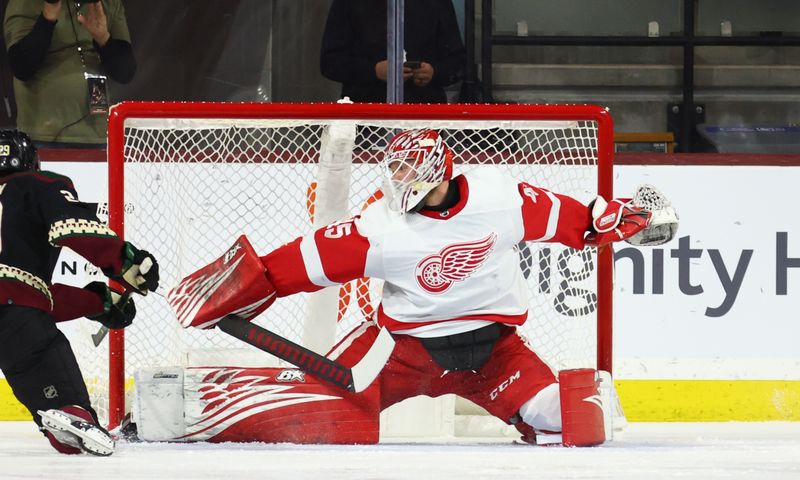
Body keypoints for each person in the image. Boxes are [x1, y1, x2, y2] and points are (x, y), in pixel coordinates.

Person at [172, 128, 678, 446]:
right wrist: (243, 286)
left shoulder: (502, 199)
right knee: (317, 415)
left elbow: (576, 221)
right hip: (399, 352)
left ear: (439, 169)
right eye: (394, 168)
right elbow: (307, 261)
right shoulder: (382, 226)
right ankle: (191, 407)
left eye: (408, 168)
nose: (399, 178)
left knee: (571, 419)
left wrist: (627, 219)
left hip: (494, 353)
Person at [0, 129, 159, 455]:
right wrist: (125, 261)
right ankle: (69, 411)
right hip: (15, 319)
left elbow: (26, 291)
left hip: (15, 308)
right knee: (67, 409)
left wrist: (96, 301)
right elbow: (72, 226)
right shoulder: (35, 184)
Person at [4, 0, 136, 146]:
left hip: (99, 135)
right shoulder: (25, 3)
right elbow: (21, 67)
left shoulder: (108, 4)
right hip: (44, 136)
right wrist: (48, 18)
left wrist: (103, 38)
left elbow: (126, 72)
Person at [320, 0, 466, 103]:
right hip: (366, 118)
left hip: (423, 118)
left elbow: (457, 62)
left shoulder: (437, 3)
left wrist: (433, 72)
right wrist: (374, 71)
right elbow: (330, 62)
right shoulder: (349, 3)